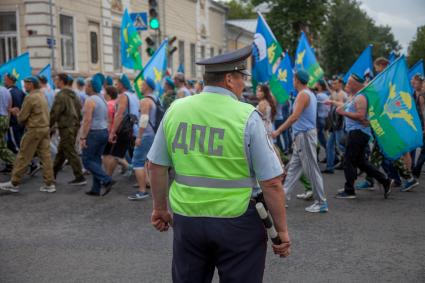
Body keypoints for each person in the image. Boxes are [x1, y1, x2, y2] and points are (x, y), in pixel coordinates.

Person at [148, 46, 290, 282]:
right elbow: (272, 182)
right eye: (242, 78)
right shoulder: (247, 116)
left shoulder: (176, 109)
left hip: (187, 218)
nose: (244, 84)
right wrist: (281, 231)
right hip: (238, 220)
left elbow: (156, 166)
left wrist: (160, 208)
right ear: (229, 79)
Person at [273, 70, 328, 213]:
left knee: (311, 169)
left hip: (304, 135)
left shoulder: (303, 95)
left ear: (297, 80)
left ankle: (321, 202)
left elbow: (294, 117)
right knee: (293, 168)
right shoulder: (308, 93)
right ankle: (282, 197)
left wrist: (278, 131)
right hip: (302, 135)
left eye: (293, 78)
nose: (292, 81)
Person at [335, 73, 393, 199]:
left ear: (356, 85)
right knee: (361, 163)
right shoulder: (356, 96)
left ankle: (349, 190)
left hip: (358, 133)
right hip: (357, 132)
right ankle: (385, 181)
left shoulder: (360, 97)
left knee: (348, 160)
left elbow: (361, 116)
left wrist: (343, 112)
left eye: (350, 83)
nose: (347, 85)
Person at [0, 76, 55, 193]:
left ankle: (14, 183)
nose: (24, 86)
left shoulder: (30, 97)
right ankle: (49, 184)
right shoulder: (41, 95)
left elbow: (22, 118)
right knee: (46, 157)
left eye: (25, 84)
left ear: (31, 84)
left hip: (34, 130)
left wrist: (16, 112)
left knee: (23, 156)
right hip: (44, 129)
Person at [79, 77, 115, 196]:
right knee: (96, 160)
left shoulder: (90, 100)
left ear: (91, 87)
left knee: (87, 160)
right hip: (103, 132)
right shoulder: (102, 99)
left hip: (94, 133)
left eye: (87, 85)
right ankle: (96, 188)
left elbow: (87, 120)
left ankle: (106, 179)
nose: (85, 88)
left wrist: (83, 137)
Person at [50, 73, 86, 185]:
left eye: (56, 80)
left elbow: (54, 113)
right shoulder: (74, 94)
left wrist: (48, 126)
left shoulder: (61, 95)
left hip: (66, 127)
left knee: (70, 151)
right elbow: (80, 111)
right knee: (62, 151)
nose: (55, 82)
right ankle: (52, 175)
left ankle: (80, 177)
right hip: (73, 126)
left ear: (61, 81)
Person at [128, 77, 157, 200]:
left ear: (148, 87)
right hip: (153, 134)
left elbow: (144, 119)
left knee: (137, 162)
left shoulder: (145, 100)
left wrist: (139, 136)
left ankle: (142, 192)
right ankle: (148, 183)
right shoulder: (155, 98)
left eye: (143, 84)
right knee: (147, 161)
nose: (141, 86)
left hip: (145, 135)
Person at [103, 74, 137, 176]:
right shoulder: (134, 95)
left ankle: (107, 179)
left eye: (117, 84)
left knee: (115, 155)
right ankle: (142, 177)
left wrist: (112, 132)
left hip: (125, 130)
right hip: (134, 129)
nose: (116, 86)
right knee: (132, 157)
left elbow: (119, 115)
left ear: (122, 85)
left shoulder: (123, 96)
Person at [322, 75, 347, 174]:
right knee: (329, 145)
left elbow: (342, 105)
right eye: (332, 83)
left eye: (335, 83)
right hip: (334, 124)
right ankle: (330, 167)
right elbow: (331, 95)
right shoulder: (335, 93)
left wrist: (331, 101)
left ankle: (357, 162)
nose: (333, 85)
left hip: (339, 124)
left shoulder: (342, 93)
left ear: (340, 84)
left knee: (341, 146)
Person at [4, 73, 25, 155]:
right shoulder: (20, 92)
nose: (3, 81)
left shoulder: (8, 92)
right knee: (19, 143)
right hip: (20, 121)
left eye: (4, 80)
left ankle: (31, 163)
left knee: (15, 145)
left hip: (12, 122)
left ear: (9, 80)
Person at [412, 74, 425, 178]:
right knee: (411, 147)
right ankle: (413, 169)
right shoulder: (413, 94)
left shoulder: (421, 96)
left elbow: (423, 113)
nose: (412, 83)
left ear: (420, 84)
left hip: (421, 125)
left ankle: (416, 170)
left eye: (415, 82)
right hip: (414, 124)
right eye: (412, 81)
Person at [0, 85, 15, 171]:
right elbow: (10, 106)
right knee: (2, 145)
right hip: (5, 118)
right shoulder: (6, 90)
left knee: (1, 147)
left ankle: (17, 163)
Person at [315, 79, 330, 155]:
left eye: (316, 83)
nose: (314, 84)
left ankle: (332, 154)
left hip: (320, 119)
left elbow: (313, 107)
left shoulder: (319, 96)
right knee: (324, 138)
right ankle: (330, 155)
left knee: (321, 140)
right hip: (326, 118)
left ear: (320, 86)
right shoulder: (325, 95)